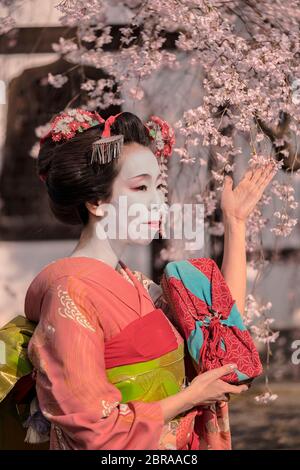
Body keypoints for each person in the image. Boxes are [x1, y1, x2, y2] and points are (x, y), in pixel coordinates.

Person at [1, 109, 276, 450]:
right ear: (96, 201)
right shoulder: (69, 292)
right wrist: (189, 397)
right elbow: (91, 426)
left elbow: (218, 331)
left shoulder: (136, 283)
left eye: (158, 188)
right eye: (141, 187)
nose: (158, 204)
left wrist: (235, 224)